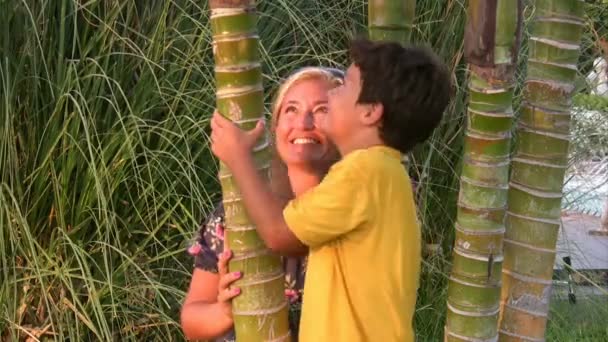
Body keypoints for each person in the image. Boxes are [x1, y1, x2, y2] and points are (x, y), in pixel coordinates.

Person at [210, 38, 451, 341]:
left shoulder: (362, 172)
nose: (333, 93)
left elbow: (278, 233)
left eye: (343, 87)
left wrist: (238, 157)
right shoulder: (388, 174)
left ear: (370, 111)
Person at [180, 67, 344, 341]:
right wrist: (225, 312)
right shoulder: (233, 213)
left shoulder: (347, 208)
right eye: (290, 109)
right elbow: (192, 321)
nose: (303, 122)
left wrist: (238, 158)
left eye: (321, 110)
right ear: (275, 127)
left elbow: (285, 234)